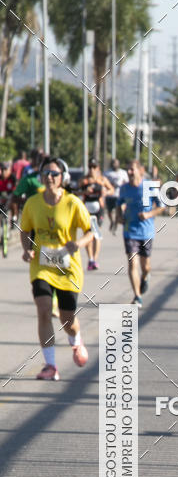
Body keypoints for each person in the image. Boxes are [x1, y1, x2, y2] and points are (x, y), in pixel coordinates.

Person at [20, 157, 93, 380]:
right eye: (46, 173)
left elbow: (90, 231)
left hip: (67, 269)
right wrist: (27, 249)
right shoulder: (32, 203)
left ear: (63, 178)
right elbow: (25, 231)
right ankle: (50, 366)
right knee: (43, 310)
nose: (49, 177)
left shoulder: (73, 203)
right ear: (40, 177)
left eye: (54, 174)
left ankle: (76, 340)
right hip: (41, 266)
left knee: (67, 319)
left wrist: (78, 244)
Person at [118, 159, 164, 308]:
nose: (129, 172)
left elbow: (161, 206)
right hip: (129, 232)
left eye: (132, 169)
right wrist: (118, 216)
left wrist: (149, 214)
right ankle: (137, 296)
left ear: (140, 171)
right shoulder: (124, 188)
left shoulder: (149, 186)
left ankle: (146, 276)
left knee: (146, 267)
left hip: (146, 232)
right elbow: (119, 204)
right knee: (132, 263)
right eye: (128, 170)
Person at [79, 158, 114, 270]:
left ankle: (95, 258)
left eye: (94, 167)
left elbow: (112, 190)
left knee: (96, 234)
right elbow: (74, 192)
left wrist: (106, 192)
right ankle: (90, 259)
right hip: (86, 209)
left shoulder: (102, 180)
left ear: (98, 168)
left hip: (98, 210)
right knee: (88, 234)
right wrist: (84, 192)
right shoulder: (84, 180)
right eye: (90, 167)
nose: (92, 169)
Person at [104, 158, 129, 233]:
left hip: (119, 195)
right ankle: (112, 221)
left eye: (116, 163)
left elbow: (127, 182)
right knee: (109, 211)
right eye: (113, 163)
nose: (115, 165)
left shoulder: (123, 172)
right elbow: (104, 182)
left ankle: (115, 223)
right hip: (110, 195)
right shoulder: (107, 173)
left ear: (119, 164)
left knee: (119, 211)